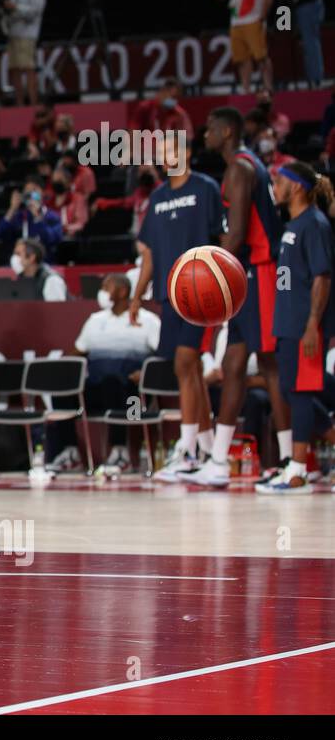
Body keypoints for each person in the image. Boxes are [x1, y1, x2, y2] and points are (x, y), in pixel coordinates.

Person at [183, 107, 291, 486]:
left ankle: (290, 459)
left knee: (270, 365)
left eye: (210, 128)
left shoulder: (240, 169)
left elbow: (238, 232)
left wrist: (211, 270)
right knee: (232, 364)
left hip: (260, 271)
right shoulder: (245, 167)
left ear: (227, 131)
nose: (205, 134)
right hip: (248, 274)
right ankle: (217, 463)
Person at [130, 135, 224, 481]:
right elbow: (150, 254)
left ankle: (186, 452)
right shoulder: (157, 198)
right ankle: (208, 450)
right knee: (189, 370)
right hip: (171, 296)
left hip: (202, 291)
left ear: (186, 153)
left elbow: (223, 237)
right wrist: (137, 295)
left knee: (186, 362)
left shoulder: (206, 188)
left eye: (171, 151)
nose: (165, 158)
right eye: (161, 154)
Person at [262, 161, 335, 493]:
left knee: (303, 394)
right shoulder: (292, 224)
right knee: (294, 393)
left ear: (297, 187)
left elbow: (322, 277)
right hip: (288, 322)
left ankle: (298, 470)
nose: (274, 186)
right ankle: (301, 464)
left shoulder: (315, 224)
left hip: (306, 325)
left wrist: (311, 326)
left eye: (278, 181)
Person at [46, 274, 160, 473]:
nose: (102, 292)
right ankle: (70, 452)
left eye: (107, 287)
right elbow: (77, 352)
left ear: (123, 291)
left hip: (134, 398)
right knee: (63, 387)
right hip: (97, 393)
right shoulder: (95, 320)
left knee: (112, 383)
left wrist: (145, 373)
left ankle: (120, 453)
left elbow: (162, 356)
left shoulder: (147, 320)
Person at [213, 0, 274, 93]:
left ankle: (268, 86)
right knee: (241, 59)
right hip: (236, 22)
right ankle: (245, 88)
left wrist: (262, 17)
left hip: (254, 20)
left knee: (261, 56)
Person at [3, 0, 47, 106]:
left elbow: (36, 10)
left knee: (28, 69)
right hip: (14, 33)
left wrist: (15, 7)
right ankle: (20, 104)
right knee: (15, 69)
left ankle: (33, 104)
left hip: (27, 34)